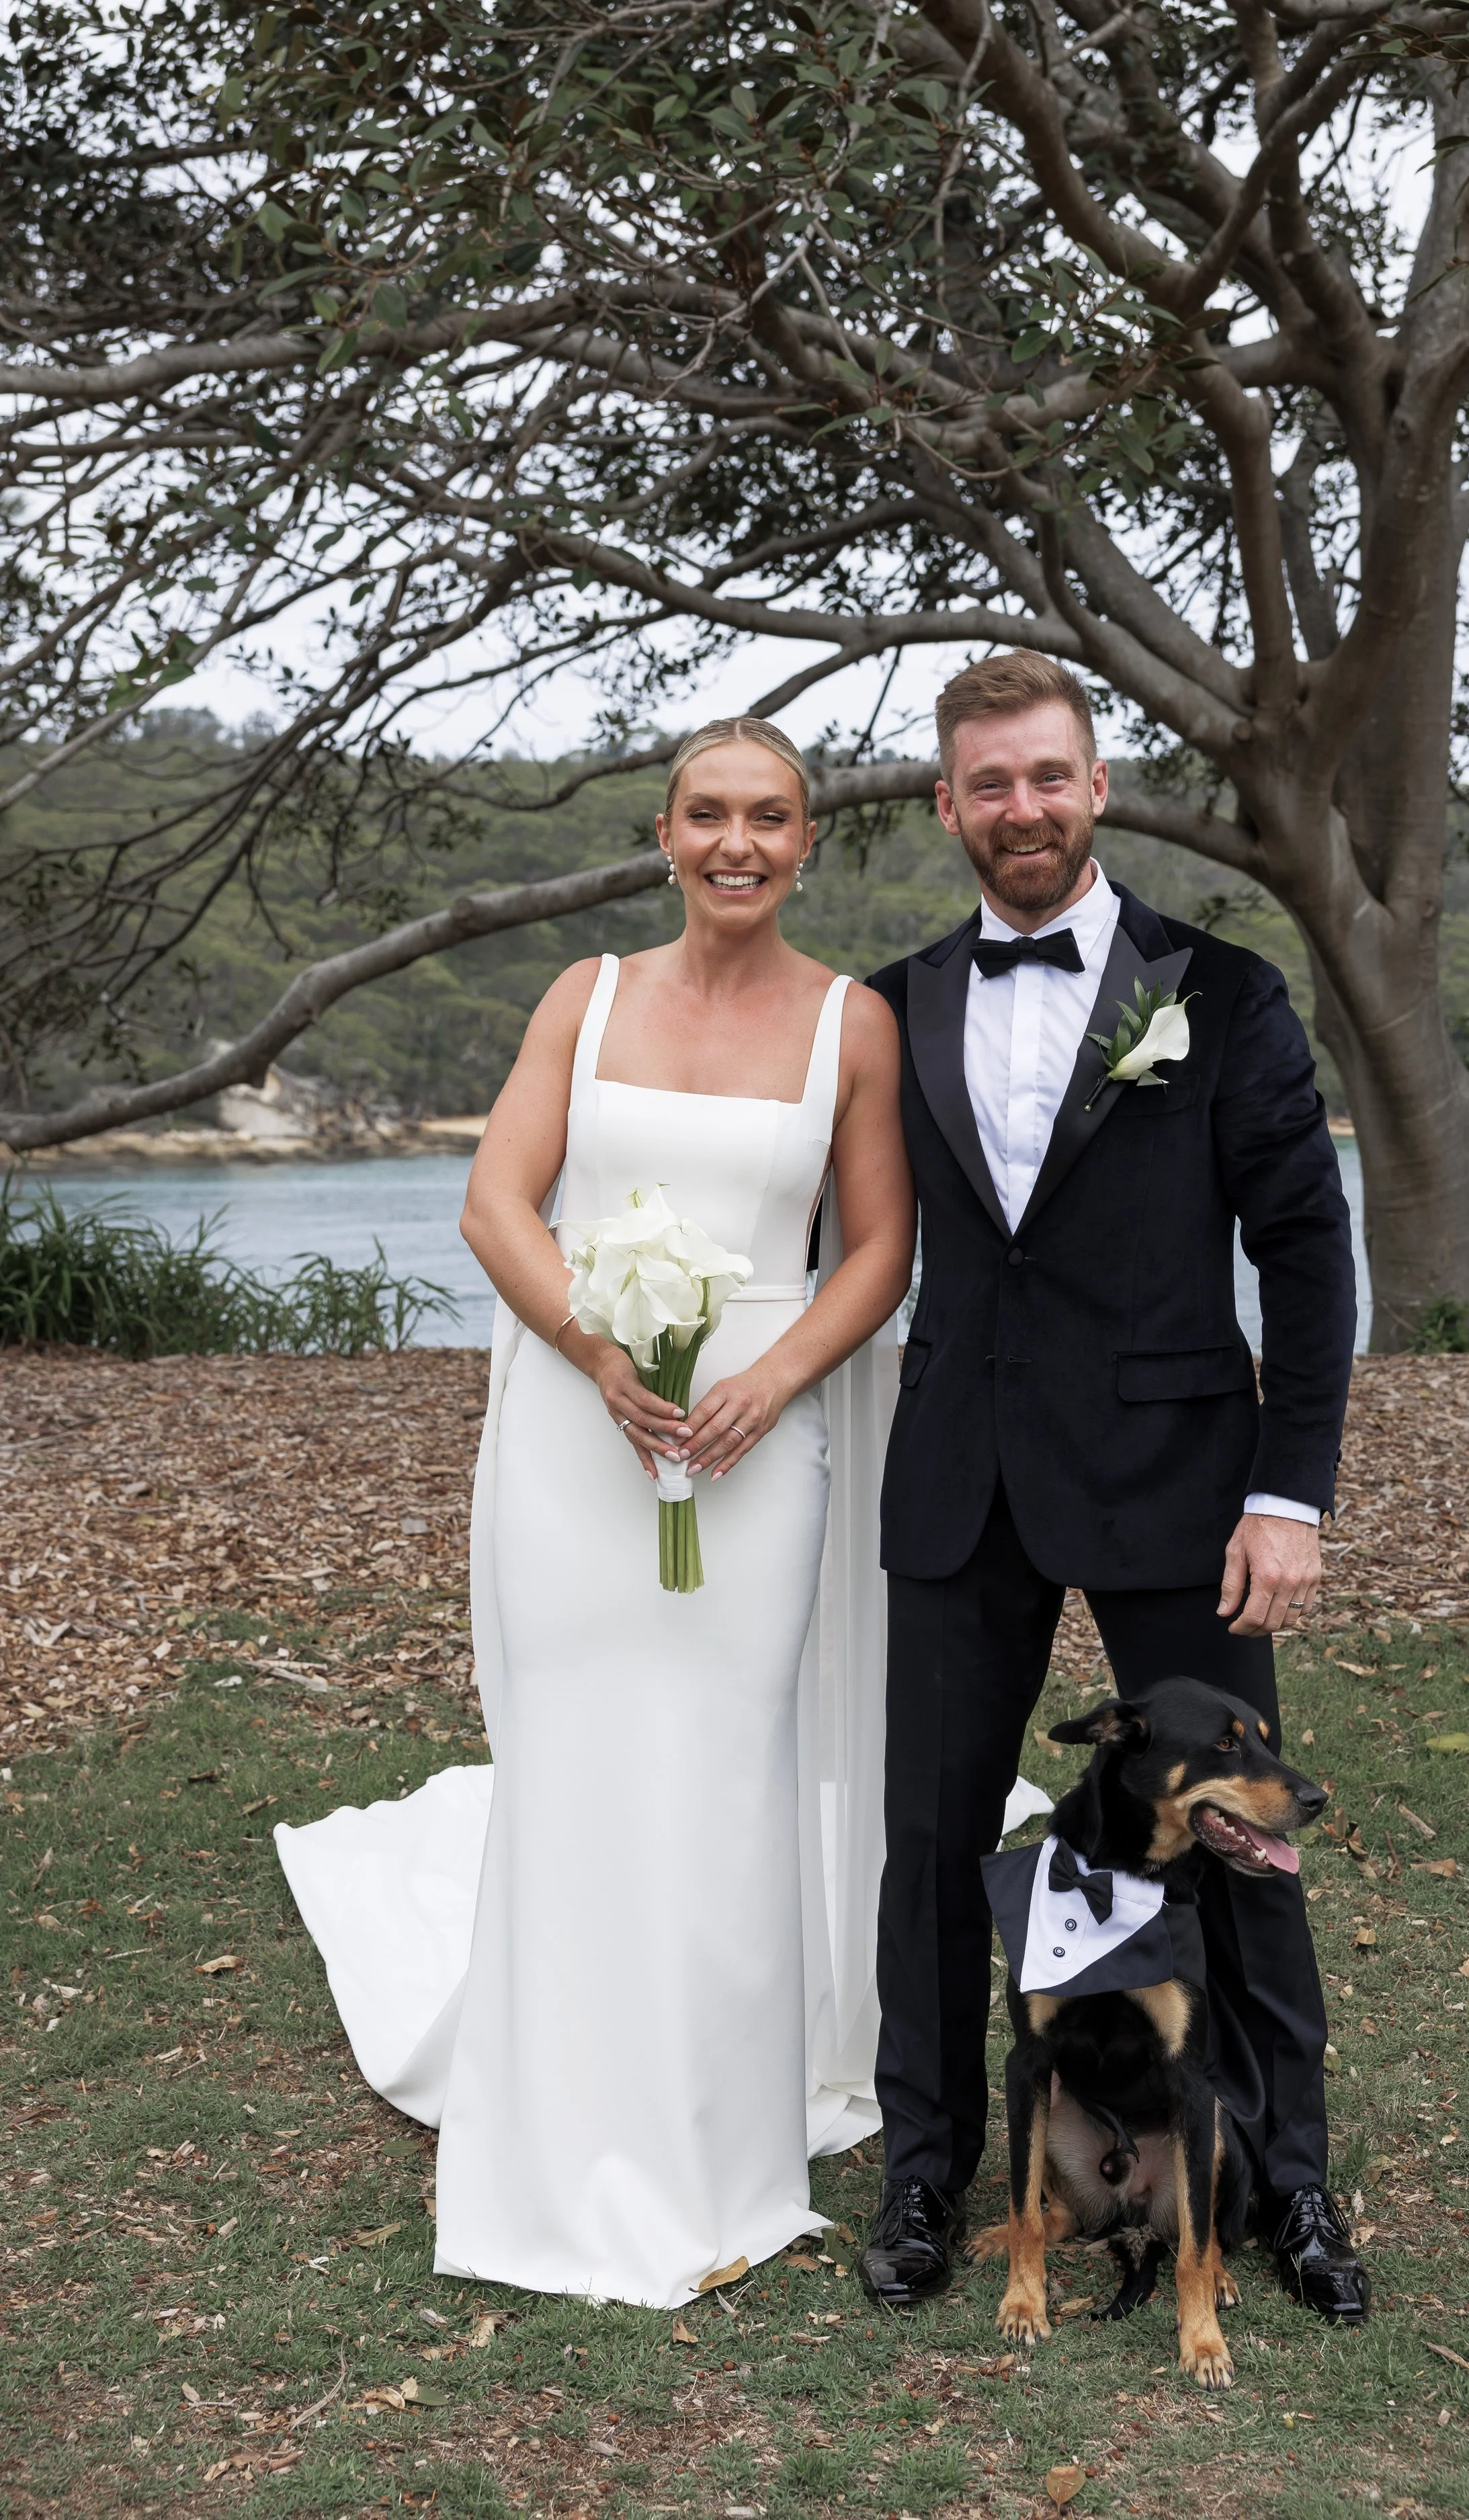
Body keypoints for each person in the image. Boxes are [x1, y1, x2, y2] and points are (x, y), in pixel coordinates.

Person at [276, 717, 914, 2306]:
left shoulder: (855, 1026)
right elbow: (499, 1201)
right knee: (574, 1757)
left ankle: (714, 2131)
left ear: (807, 839)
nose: (737, 844)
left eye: (770, 817)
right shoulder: (589, 995)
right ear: (663, 830)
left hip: (759, 1446)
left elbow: (878, 1251)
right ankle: (557, 2123)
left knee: (724, 1764)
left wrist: (770, 1383)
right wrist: (592, 1350)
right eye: (708, 814)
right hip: (579, 1433)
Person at [859, 653, 1368, 2325]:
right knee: (932, 1846)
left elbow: (1302, 1252)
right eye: (986, 784)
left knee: (1233, 1853)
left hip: (1176, 1483)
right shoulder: (893, 1002)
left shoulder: (1221, 993)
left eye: (1047, 777)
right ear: (947, 806)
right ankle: (925, 2173)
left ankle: (1288, 2185)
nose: (1020, 808)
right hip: (958, 1483)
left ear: (1098, 785)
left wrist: (1287, 1495)